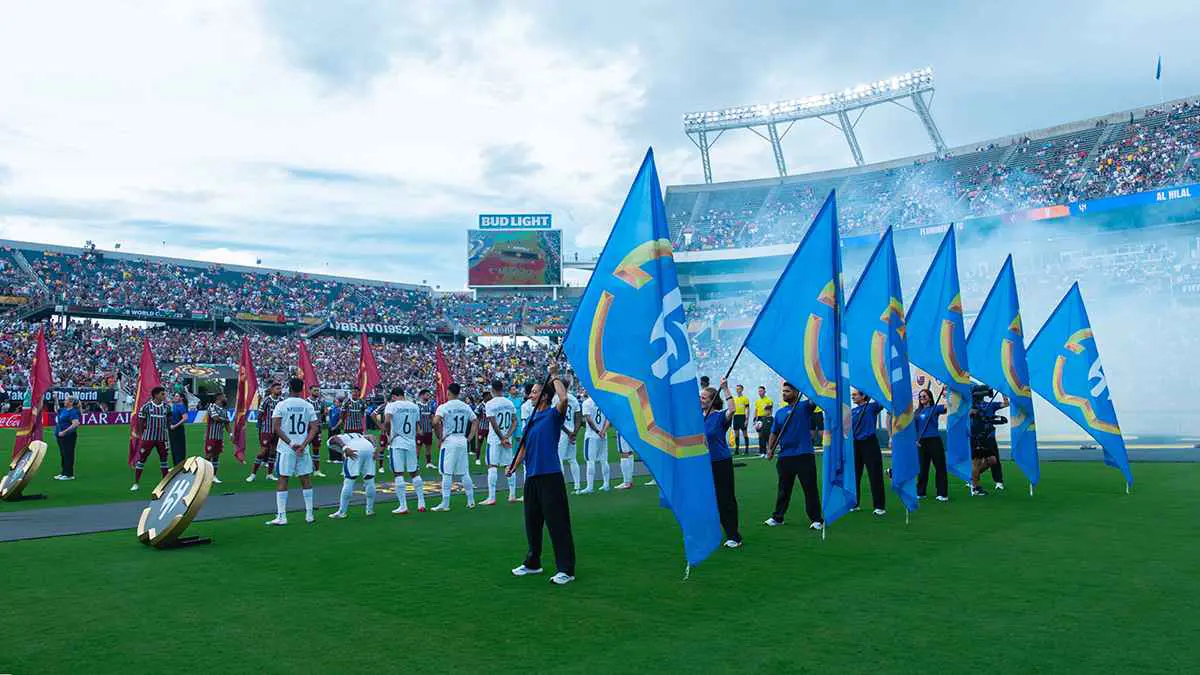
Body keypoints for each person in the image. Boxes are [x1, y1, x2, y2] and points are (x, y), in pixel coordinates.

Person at [508, 363, 576, 585]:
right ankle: (533, 563)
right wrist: (515, 464)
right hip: (532, 477)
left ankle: (566, 569)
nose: (530, 395)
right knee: (532, 522)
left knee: (557, 524)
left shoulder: (553, 414)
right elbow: (525, 446)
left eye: (535, 392)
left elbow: (563, 399)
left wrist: (554, 375)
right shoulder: (532, 419)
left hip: (550, 476)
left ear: (544, 397)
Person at [764, 382, 822, 530]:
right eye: (783, 391)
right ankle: (778, 517)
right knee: (784, 489)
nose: (784, 393)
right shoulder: (780, 412)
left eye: (787, 391)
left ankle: (816, 519)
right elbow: (774, 432)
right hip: (785, 456)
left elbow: (815, 398)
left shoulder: (805, 406)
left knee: (810, 488)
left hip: (804, 454)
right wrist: (770, 449)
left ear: (796, 392)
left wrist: (806, 383)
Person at [266, 378, 318, 526]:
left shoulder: (281, 404)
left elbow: (276, 427)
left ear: (289, 388)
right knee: (305, 479)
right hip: (303, 448)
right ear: (302, 389)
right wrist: (303, 445)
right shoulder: (308, 405)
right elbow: (314, 428)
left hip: (286, 448)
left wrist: (291, 444)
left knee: (283, 479)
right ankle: (309, 514)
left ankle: (282, 516)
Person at [701, 379, 742, 548]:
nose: (700, 400)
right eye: (700, 397)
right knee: (707, 498)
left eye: (704, 398)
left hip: (720, 462)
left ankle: (734, 536)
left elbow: (732, 409)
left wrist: (725, 388)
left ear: (713, 401)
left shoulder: (719, 417)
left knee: (725, 499)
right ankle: (711, 532)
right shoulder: (698, 418)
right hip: (703, 464)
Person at [431, 382, 477, 511]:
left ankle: (445, 503)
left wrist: (439, 437)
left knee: (446, 472)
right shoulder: (465, 406)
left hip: (450, 440)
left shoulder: (444, 406)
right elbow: (475, 421)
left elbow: (435, 422)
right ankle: (471, 500)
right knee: (464, 472)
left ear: (448, 392)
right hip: (462, 439)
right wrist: (470, 437)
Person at [382, 387, 426, 513]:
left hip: (397, 442)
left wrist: (388, 435)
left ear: (394, 396)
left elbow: (387, 421)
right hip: (411, 442)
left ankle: (403, 506)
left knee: (398, 474)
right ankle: (421, 503)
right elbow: (418, 426)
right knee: (414, 472)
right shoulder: (414, 406)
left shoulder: (391, 406)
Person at [851, 390, 887, 516]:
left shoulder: (871, 407)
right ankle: (854, 503)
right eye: (852, 395)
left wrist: (872, 390)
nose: (853, 396)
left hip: (869, 443)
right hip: (855, 444)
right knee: (854, 475)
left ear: (863, 396)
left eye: (855, 395)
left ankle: (879, 506)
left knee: (875, 474)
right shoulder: (852, 411)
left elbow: (883, 401)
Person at [483, 379, 519, 505]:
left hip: (495, 438)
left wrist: (501, 437)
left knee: (492, 466)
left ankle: (492, 497)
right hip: (507, 438)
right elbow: (515, 421)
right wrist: (507, 436)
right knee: (508, 465)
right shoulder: (509, 402)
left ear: (492, 390)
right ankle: (512, 494)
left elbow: (493, 422)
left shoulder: (490, 403)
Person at [326, 432, 377, 519]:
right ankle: (370, 510)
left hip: (354, 449)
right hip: (369, 448)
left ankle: (342, 512)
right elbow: (371, 436)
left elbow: (334, 438)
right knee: (369, 479)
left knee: (349, 480)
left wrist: (345, 448)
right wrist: (375, 448)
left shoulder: (332, 440)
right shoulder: (358, 435)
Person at [131, 386, 172, 491]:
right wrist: (141, 434)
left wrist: (168, 431)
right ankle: (136, 483)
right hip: (149, 438)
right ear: (156, 395)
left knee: (164, 460)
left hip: (162, 438)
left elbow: (169, 420)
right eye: (162, 394)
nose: (164, 396)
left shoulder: (167, 407)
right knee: (142, 459)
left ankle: (165, 484)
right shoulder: (146, 407)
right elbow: (140, 421)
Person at [969, 387, 1008, 496]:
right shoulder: (970, 406)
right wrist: (972, 411)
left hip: (988, 437)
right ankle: (976, 488)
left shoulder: (990, 405)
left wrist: (1003, 393)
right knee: (976, 461)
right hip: (976, 437)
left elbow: (1006, 404)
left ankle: (973, 477)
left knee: (992, 460)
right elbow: (968, 415)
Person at [914, 388, 949, 502]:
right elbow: (914, 428)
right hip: (921, 442)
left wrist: (946, 395)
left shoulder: (935, 408)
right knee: (922, 469)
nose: (922, 398)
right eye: (920, 396)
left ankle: (942, 493)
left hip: (934, 441)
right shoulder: (917, 412)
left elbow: (949, 406)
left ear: (929, 397)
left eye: (924, 396)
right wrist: (915, 440)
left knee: (940, 467)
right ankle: (921, 492)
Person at [247, 380, 282, 482]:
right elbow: (260, 414)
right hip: (266, 429)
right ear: (272, 390)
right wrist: (259, 426)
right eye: (277, 388)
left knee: (273, 452)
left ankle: (269, 474)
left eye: (280, 388)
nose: (279, 390)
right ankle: (253, 474)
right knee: (263, 451)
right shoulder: (266, 400)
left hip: (277, 431)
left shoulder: (282, 401)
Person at [553, 375, 583, 493]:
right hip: (571, 431)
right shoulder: (573, 399)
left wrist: (568, 432)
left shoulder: (556, 398)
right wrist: (574, 432)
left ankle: (561, 486)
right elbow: (578, 417)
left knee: (559, 459)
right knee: (572, 459)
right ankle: (577, 486)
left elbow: (556, 418)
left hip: (561, 432)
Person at [578, 388, 611, 494]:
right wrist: (603, 431)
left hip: (592, 435)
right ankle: (606, 484)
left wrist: (597, 431)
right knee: (604, 460)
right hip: (603, 435)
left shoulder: (587, 403)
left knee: (590, 461)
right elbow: (608, 418)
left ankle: (590, 486)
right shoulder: (603, 402)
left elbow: (588, 419)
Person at [53, 397, 81, 481]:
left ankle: (69, 474)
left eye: (66, 400)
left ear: (71, 402)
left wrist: (65, 432)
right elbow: (57, 409)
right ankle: (64, 472)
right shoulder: (64, 410)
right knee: (63, 454)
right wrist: (56, 399)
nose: (64, 401)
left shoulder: (73, 412)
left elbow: (75, 424)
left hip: (68, 436)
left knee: (68, 454)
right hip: (60, 435)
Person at [204, 392, 230, 484]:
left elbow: (227, 424)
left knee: (216, 456)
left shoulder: (224, 410)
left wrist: (231, 434)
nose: (226, 398)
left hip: (219, 437)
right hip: (211, 436)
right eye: (224, 396)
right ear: (219, 398)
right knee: (208, 456)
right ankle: (204, 476)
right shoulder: (212, 407)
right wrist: (225, 420)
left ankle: (213, 476)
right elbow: (215, 418)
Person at [307, 385, 329, 478]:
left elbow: (324, 413)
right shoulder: (306, 402)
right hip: (308, 429)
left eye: (318, 390)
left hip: (318, 429)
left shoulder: (321, 402)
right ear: (310, 391)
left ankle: (316, 470)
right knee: (304, 449)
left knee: (316, 449)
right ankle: (301, 469)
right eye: (315, 390)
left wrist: (325, 411)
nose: (317, 392)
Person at [416, 389, 437, 469]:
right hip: (420, 431)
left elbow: (432, 417)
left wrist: (433, 427)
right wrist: (418, 429)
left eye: (429, 395)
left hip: (428, 430)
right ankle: (415, 464)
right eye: (427, 395)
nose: (429, 396)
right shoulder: (417, 405)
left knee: (428, 447)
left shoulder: (430, 405)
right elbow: (415, 419)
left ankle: (428, 463)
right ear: (422, 395)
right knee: (418, 448)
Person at [753, 385, 774, 459]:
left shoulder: (769, 400)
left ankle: (770, 451)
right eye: (759, 391)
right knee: (760, 436)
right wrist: (754, 419)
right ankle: (762, 452)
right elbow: (756, 410)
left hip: (766, 418)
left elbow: (770, 410)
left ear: (765, 391)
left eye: (761, 391)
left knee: (767, 435)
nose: (760, 392)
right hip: (759, 419)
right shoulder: (757, 401)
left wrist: (769, 418)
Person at [168, 392, 188, 467]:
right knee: (174, 449)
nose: (175, 397)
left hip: (178, 429)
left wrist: (175, 426)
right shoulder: (174, 405)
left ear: (181, 398)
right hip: (172, 429)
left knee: (179, 449)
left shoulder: (181, 406)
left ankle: (180, 466)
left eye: (177, 396)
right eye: (175, 396)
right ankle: (176, 466)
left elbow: (185, 418)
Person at [731, 384, 750, 455]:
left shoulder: (745, 398)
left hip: (742, 417)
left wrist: (747, 419)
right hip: (736, 417)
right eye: (736, 389)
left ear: (742, 389)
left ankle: (747, 450)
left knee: (745, 434)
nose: (737, 390)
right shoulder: (734, 398)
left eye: (739, 389)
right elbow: (732, 409)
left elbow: (747, 409)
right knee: (736, 434)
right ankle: (737, 450)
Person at [327, 395, 344, 464]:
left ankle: (339, 458)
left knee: (337, 443)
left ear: (340, 403)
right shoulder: (332, 408)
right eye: (335, 402)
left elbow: (341, 420)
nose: (335, 403)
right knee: (330, 442)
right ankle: (332, 458)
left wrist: (335, 427)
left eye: (336, 402)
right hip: (330, 428)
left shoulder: (340, 410)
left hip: (336, 429)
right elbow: (327, 414)